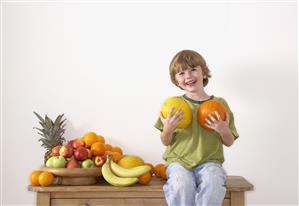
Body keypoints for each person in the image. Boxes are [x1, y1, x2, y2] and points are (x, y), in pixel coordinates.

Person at [154, 50, 239, 206]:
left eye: (193, 69)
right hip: (179, 162)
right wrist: (168, 128)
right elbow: (166, 141)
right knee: (181, 184)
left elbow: (229, 142)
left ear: (204, 73)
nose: (188, 76)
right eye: (181, 73)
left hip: (210, 162)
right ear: (176, 80)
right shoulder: (172, 106)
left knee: (213, 183)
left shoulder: (220, 104)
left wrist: (223, 129)